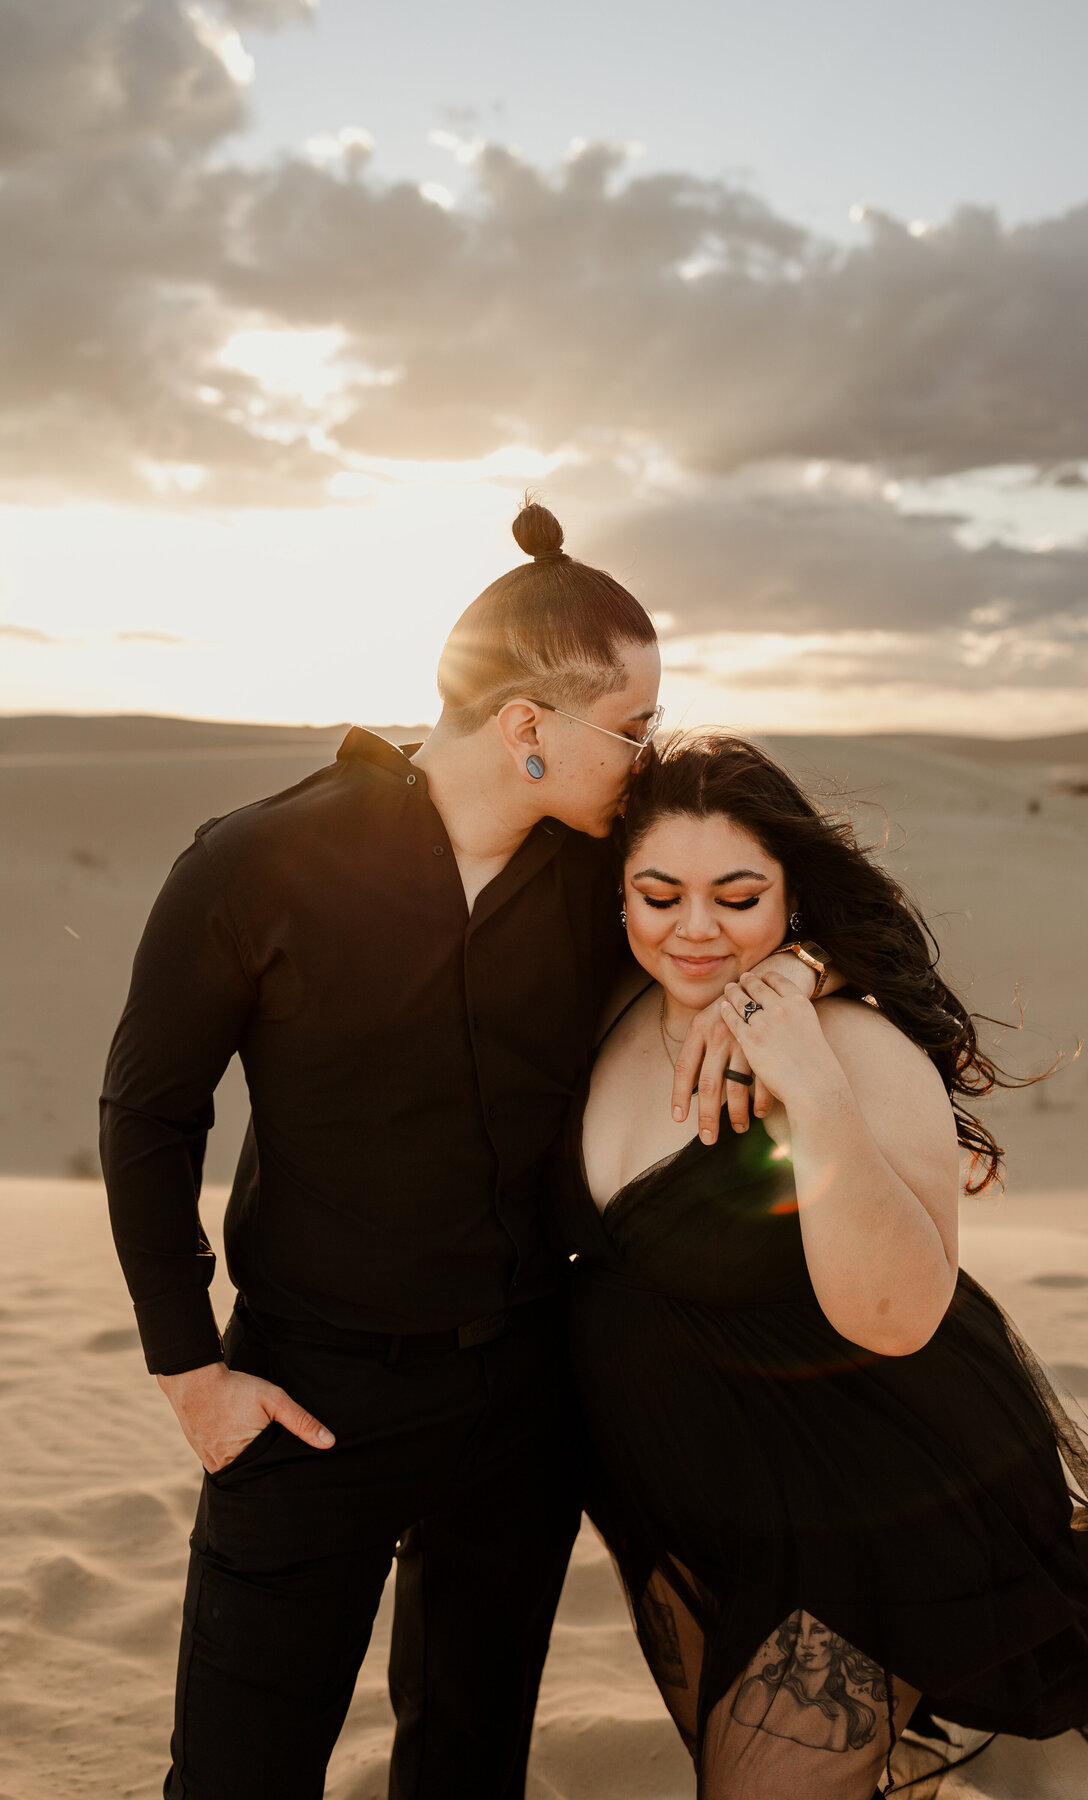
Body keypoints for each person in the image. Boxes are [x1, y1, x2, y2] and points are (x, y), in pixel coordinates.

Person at [98, 502, 828, 1800]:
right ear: (527, 728)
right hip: (309, 1395)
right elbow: (150, 1112)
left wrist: (792, 971)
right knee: (236, 1772)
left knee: (469, 1766)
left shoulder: (607, 879)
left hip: (523, 1404)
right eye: (632, 729)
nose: (647, 757)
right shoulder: (258, 865)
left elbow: (783, 900)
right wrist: (189, 1371)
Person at [553, 730, 1088, 1800]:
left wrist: (812, 1087)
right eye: (659, 895)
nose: (696, 929)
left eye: (739, 895)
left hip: (868, 1501)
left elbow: (899, 1313)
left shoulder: (857, 1047)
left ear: (791, 895)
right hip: (708, 1506)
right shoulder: (604, 1004)